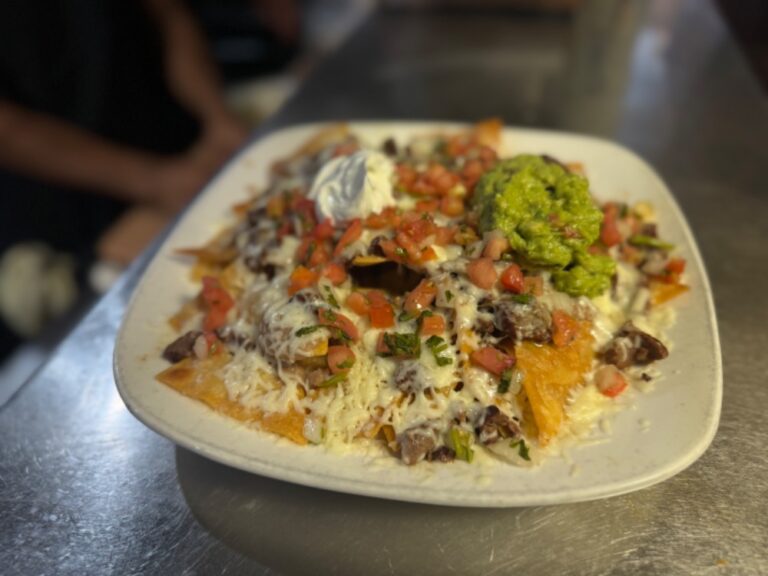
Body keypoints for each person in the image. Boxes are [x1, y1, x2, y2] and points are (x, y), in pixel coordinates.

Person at [0, 0, 249, 356]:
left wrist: (215, 115)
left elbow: (170, 14)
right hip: (68, 195)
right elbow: (7, 128)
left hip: (172, 135)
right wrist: (154, 180)